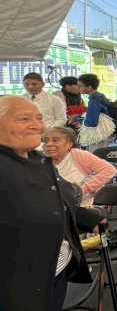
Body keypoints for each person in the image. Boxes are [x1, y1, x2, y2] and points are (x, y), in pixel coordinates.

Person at [0, 96, 104, 310]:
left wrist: (89, 217)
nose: (37, 125)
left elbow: (54, 200)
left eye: (39, 118)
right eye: (23, 118)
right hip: (18, 284)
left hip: (56, 268)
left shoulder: (37, 159)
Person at [42, 126, 117, 206]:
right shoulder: (41, 161)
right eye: (45, 141)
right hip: (56, 205)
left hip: (86, 204)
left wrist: (82, 189)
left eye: (55, 140)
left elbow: (109, 170)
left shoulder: (78, 155)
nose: (48, 144)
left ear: (69, 144)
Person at [77, 73, 115, 151]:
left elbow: (92, 122)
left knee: (96, 155)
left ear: (89, 87)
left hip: (97, 136)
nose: (78, 88)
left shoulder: (93, 101)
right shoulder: (100, 96)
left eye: (80, 86)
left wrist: (77, 118)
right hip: (105, 134)